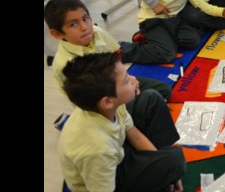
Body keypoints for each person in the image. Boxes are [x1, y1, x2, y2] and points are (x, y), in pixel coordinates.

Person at [58, 52, 185, 192]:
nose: (133, 79)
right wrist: (166, 169)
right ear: (107, 102)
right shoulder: (97, 149)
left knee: (151, 99)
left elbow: (133, 132)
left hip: (117, 150)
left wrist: (164, 171)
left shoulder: (111, 106)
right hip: (107, 178)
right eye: (126, 80)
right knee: (175, 158)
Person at [45, 0, 172, 129]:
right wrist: (124, 98)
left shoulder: (97, 32)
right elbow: (84, 101)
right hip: (101, 104)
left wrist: (129, 79)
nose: (84, 27)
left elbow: (116, 59)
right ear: (57, 34)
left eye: (85, 19)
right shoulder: (63, 65)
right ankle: (75, 125)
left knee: (164, 90)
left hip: (116, 82)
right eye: (73, 24)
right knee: (147, 104)